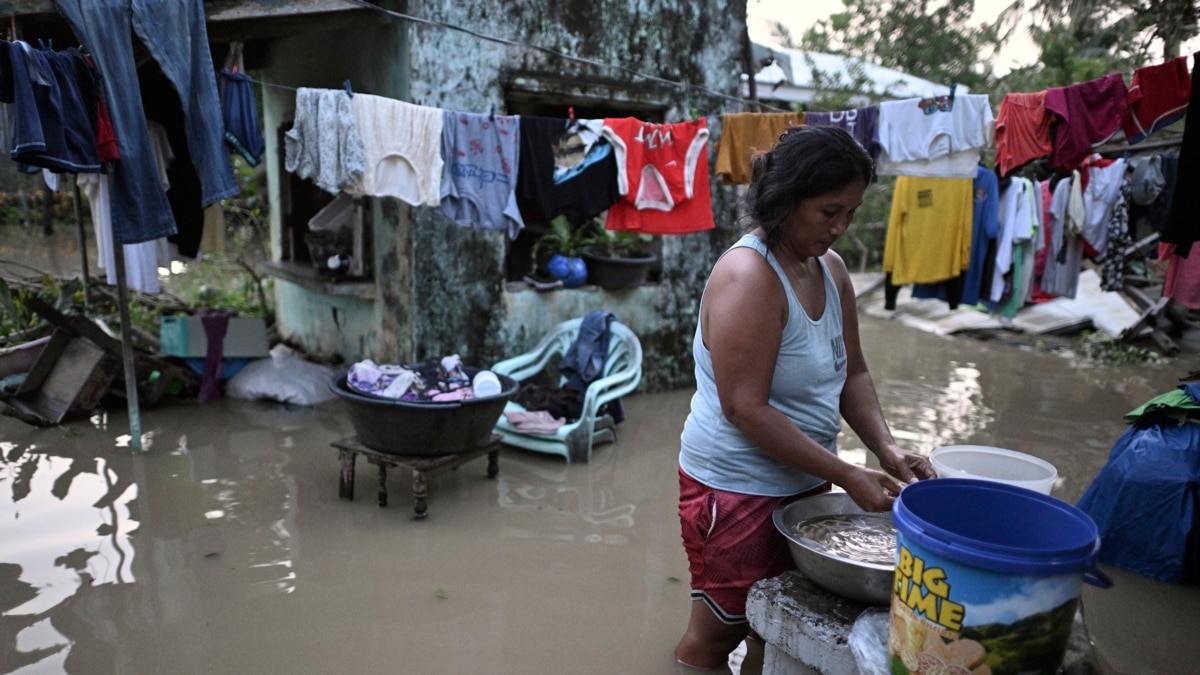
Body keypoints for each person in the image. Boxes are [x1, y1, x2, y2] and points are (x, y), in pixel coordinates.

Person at [674, 125, 936, 670]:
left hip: (806, 481)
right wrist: (847, 475)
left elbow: (854, 374)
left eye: (851, 212)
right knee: (717, 636)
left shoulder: (830, 268)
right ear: (786, 199)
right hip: (735, 489)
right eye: (828, 212)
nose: (840, 228)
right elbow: (744, 408)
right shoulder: (749, 276)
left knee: (773, 630)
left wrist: (885, 451)